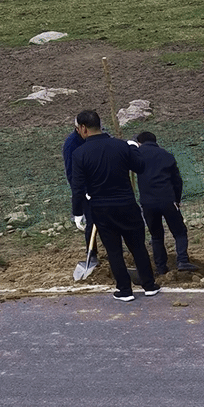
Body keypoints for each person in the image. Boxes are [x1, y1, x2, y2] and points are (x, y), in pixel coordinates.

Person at [68, 110, 158, 302]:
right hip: (127, 204)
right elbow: (140, 167)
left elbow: (77, 187)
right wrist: (133, 148)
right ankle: (149, 285)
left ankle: (124, 290)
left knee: (114, 250)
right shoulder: (121, 146)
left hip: (101, 208)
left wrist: (77, 212)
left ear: (83, 128)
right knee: (138, 246)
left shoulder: (79, 154)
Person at [132, 131, 197, 275]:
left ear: (139, 142)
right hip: (167, 199)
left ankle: (160, 267)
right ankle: (182, 260)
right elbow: (177, 180)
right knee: (179, 231)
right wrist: (177, 200)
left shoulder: (137, 155)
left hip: (147, 202)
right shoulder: (166, 155)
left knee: (156, 235)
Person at [61, 123, 95, 267]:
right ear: (79, 128)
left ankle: (115, 250)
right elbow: (72, 174)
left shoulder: (97, 136)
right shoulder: (71, 145)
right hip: (86, 190)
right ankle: (92, 254)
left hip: (102, 185)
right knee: (91, 222)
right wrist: (79, 196)